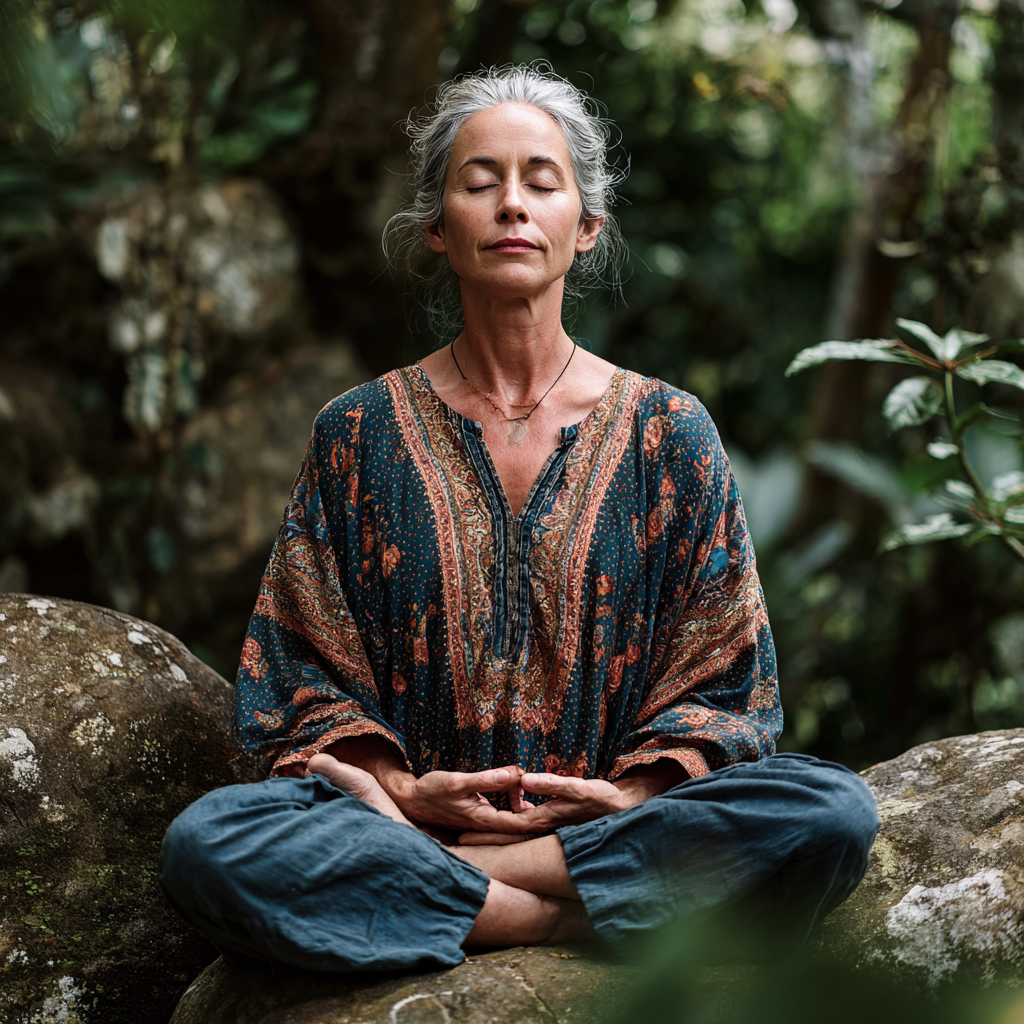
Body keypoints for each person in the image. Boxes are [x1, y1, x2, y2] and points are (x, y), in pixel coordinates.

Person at [159, 65, 879, 974]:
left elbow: (726, 683)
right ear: (437, 225)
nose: (511, 205)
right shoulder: (358, 432)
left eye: (541, 182)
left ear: (588, 225)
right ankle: (580, 915)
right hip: (410, 818)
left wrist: (629, 798)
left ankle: (461, 889)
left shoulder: (668, 431)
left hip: (607, 819)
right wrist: (404, 792)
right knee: (209, 844)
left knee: (829, 810)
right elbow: (299, 672)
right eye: (479, 182)